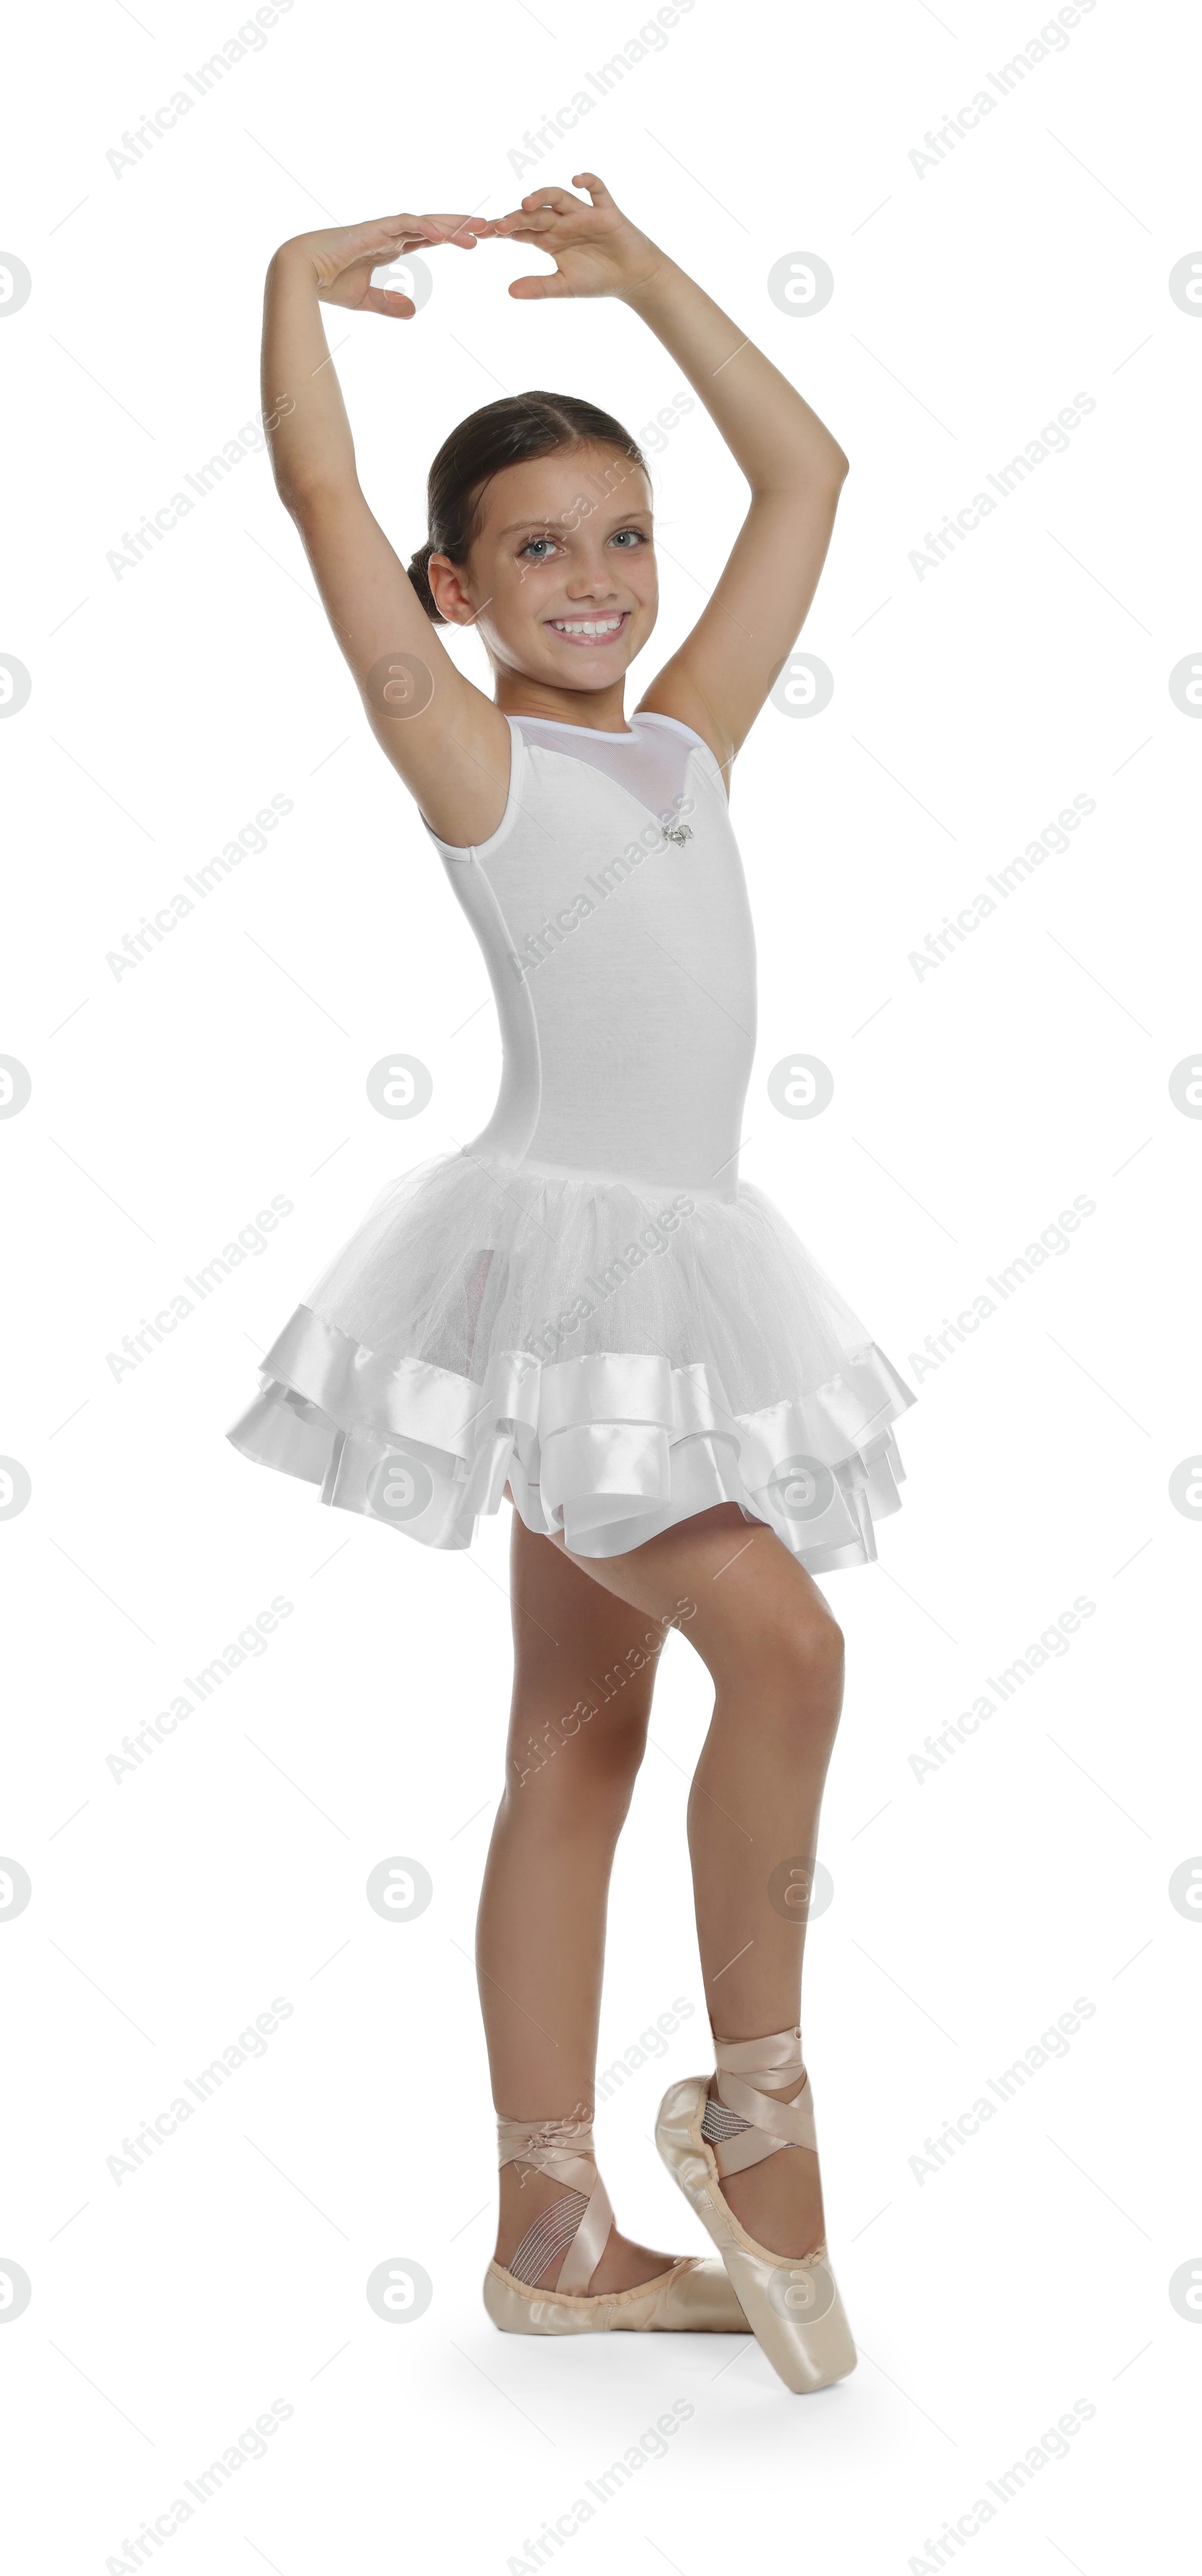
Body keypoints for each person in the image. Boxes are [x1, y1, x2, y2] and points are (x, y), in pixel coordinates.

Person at [228, 174, 917, 2393]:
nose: (602, 580)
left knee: (576, 1728)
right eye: (541, 547)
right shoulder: (473, 748)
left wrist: (652, 279)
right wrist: (286, 292)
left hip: (675, 1273)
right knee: (788, 1642)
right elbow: (324, 489)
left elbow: (806, 471)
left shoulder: (687, 739)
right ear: (459, 587)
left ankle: (551, 2221)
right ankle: (764, 2111)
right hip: (565, 1266)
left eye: (622, 537)